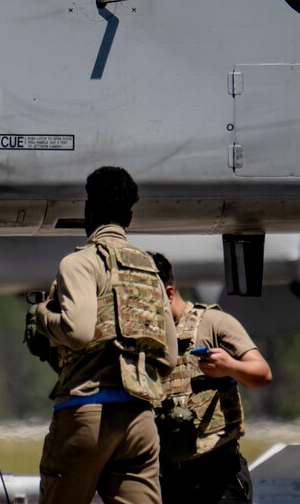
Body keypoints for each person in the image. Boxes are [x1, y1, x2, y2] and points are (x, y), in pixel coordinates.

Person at [26, 166, 174, 504]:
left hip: (86, 412)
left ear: (88, 213)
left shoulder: (80, 264)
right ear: (130, 217)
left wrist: (42, 315)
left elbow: (76, 333)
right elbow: (169, 356)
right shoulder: (149, 269)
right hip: (140, 419)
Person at [152, 252, 272, 504]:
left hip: (218, 473)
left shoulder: (213, 323)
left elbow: (262, 374)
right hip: (168, 475)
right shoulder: (146, 338)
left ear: (169, 293)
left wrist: (230, 367)